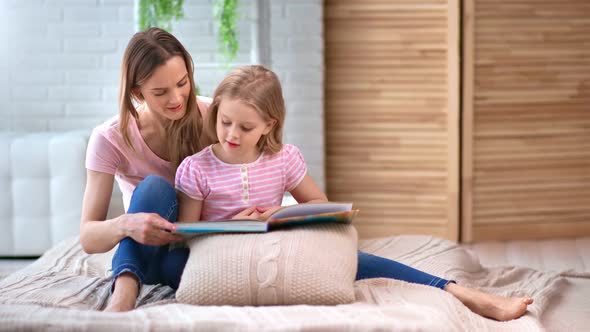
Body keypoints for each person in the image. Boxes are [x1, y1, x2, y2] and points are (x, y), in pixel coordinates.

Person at [80, 27, 533, 320]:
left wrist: (279, 212)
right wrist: (128, 224)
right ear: (135, 90)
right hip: (168, 245)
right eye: (161, 92)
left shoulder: (213, 116)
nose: (178, 99)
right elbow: (89, 235)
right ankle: (125, 292)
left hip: (227, 241)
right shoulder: (112, 140)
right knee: (153, 191)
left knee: (336, 258)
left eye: (184, 84)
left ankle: (456, 289)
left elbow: (276, 161)